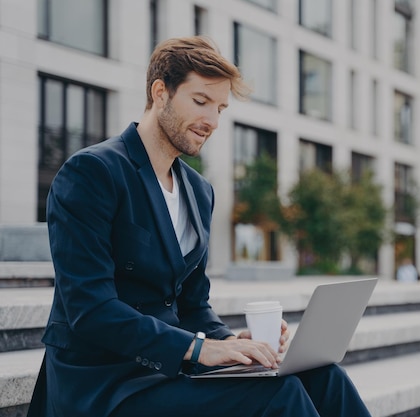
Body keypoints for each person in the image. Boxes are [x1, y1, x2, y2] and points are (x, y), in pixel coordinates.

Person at [27, 36, 371, 417]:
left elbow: (192, 304)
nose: (212, 121)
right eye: (200, 102)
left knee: (325, 376)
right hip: (105, 384)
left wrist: (232, 341)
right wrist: (200, 349)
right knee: (280, 394)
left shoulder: (198, 190)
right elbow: (89, 310)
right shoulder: (93, 173)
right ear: (160, 93)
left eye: (220, 108)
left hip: (172, 372)